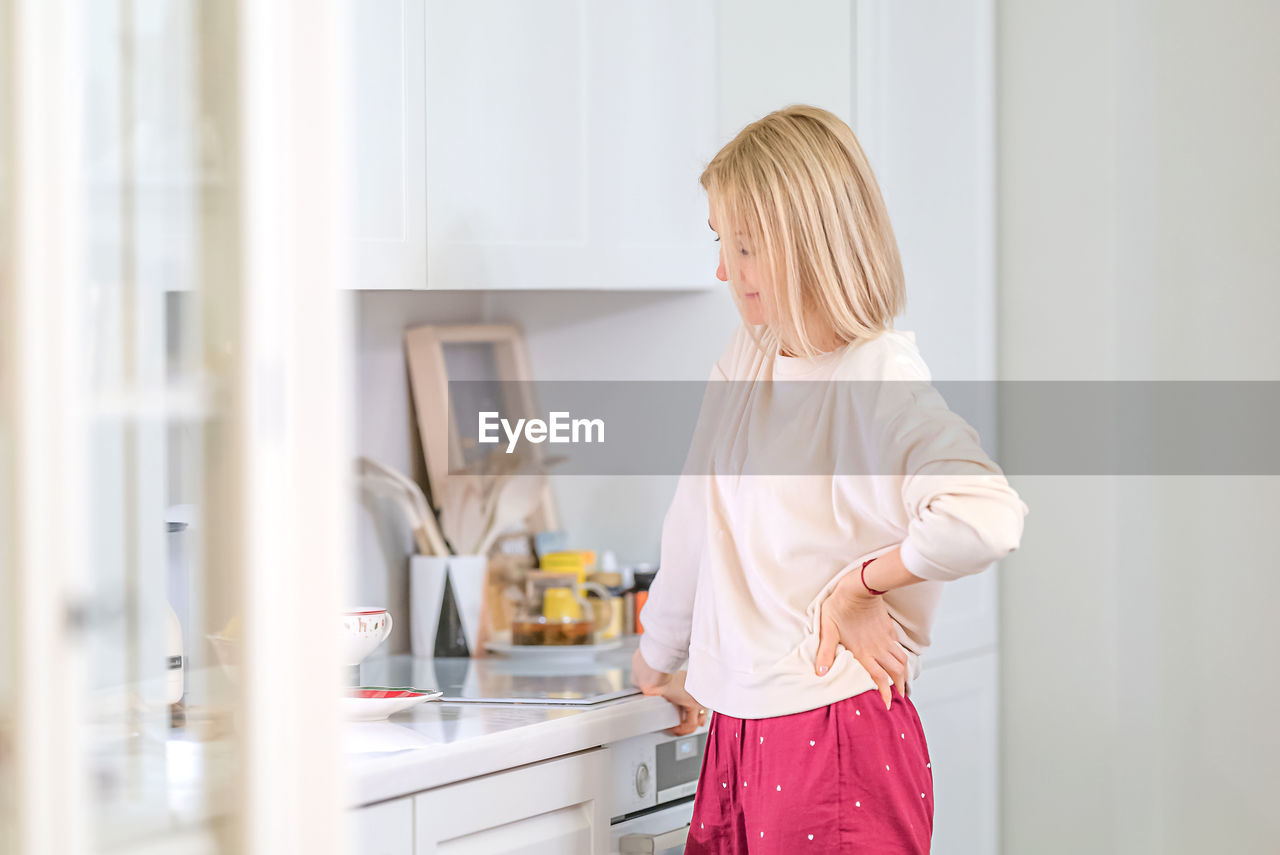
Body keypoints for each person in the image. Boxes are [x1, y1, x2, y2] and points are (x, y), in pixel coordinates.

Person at [630, 105, 1029, 853]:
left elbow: (985, 515)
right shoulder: (749, 358)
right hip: (740, 731)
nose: (723, 270)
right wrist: (657, 658)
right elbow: (695, 521)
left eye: (743, 247)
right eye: (722, 242)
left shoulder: (877, 377)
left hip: (835, 732)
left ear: (803, 247)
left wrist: (861, 585)